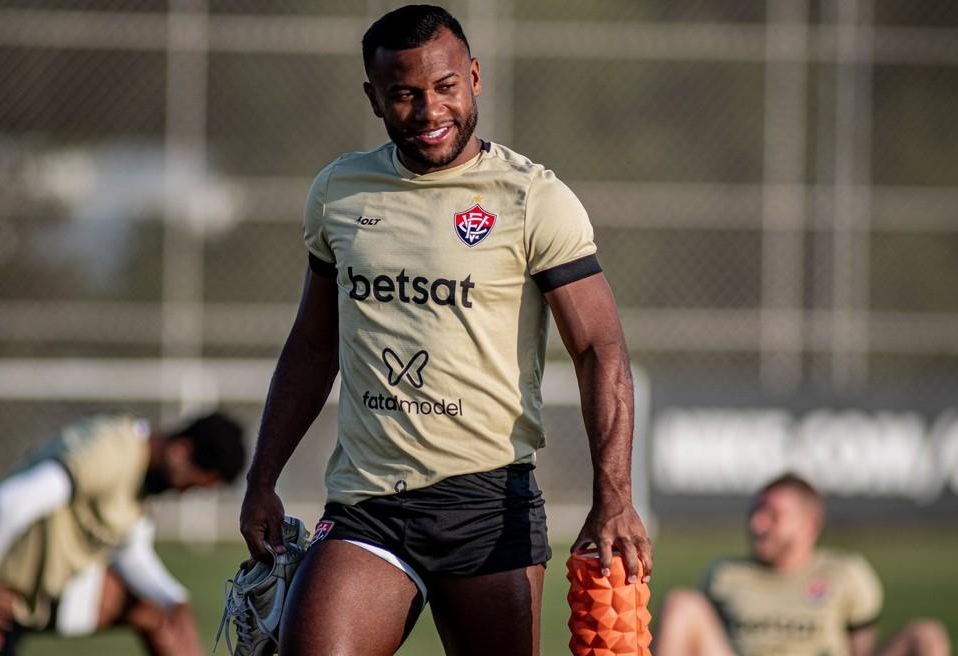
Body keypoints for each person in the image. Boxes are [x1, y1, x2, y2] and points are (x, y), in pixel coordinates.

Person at [236, 4, 652, 656]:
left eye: (445, 87)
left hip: (488, 504)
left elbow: (600, 347)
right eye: (403, 93)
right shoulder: (340, 192)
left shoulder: (531, 199)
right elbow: (314, 345)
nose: (429, 111)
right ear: (373, 98)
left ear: (475, 77)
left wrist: (615, 497)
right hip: (367, 504)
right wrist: (263, 478)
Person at [0, 411, 246, 656]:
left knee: (155, 612)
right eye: (189, 486)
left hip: (32, 600)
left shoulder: (140, 486)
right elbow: (9, 502)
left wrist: (175, 600)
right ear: (181, 451)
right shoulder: (113, 451)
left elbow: (129, 554)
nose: (182, 494)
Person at [653, 473, 951, 656]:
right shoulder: (725, 574)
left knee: (926, 635)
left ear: (809, 524)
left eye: (772, 515)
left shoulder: (846, 573)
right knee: (681, 603)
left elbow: (862, 650)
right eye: (755, 513)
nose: (757, 525)